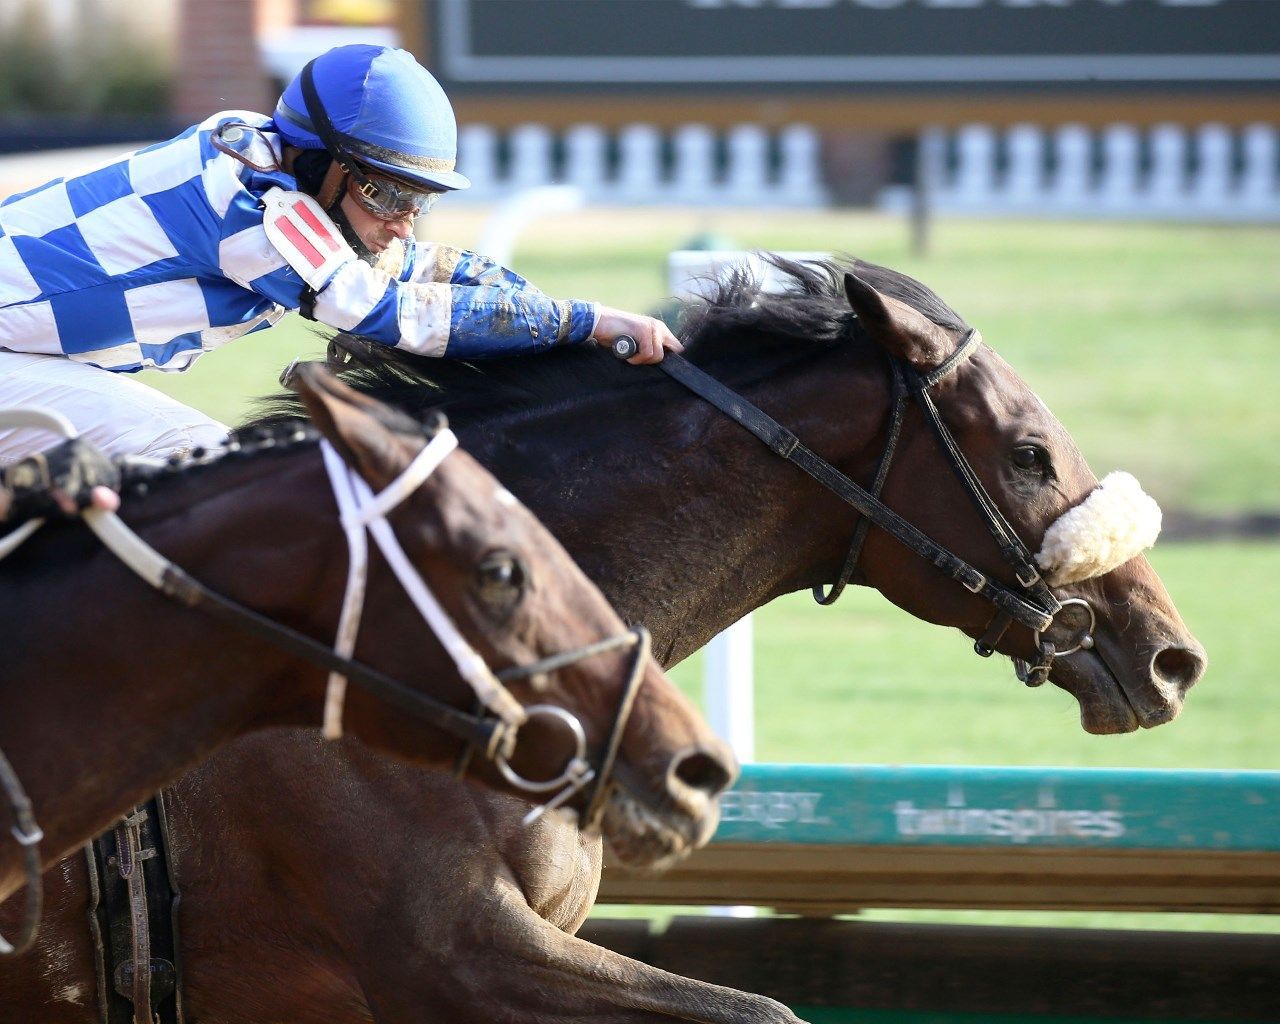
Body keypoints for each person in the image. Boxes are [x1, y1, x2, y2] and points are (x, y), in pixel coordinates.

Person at [0, 44, 681, 465]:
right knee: (205, 470)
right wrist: (579, 323)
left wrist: (578, 323)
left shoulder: (270, 169)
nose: (403, 223)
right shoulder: (254, 213)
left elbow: (428, 269)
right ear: (319, 162)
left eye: (419, 199)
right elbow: (391, 313)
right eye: (386, 192)